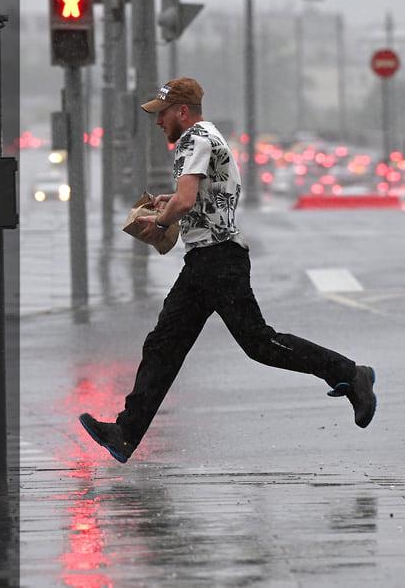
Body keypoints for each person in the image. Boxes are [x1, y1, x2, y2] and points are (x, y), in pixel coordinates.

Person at [79, 77, 377, 464]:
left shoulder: (192, 140)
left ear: (182, 112)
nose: (158, 122)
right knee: (163, 345)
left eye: (162, 113)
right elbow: (201, 197)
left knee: (259, 343)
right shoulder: (209, 136)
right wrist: (173, 204)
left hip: (218, 260)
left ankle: (352, 374)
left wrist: (162, 221)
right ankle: (125, 433)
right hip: (207, 260)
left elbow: (185, 202)